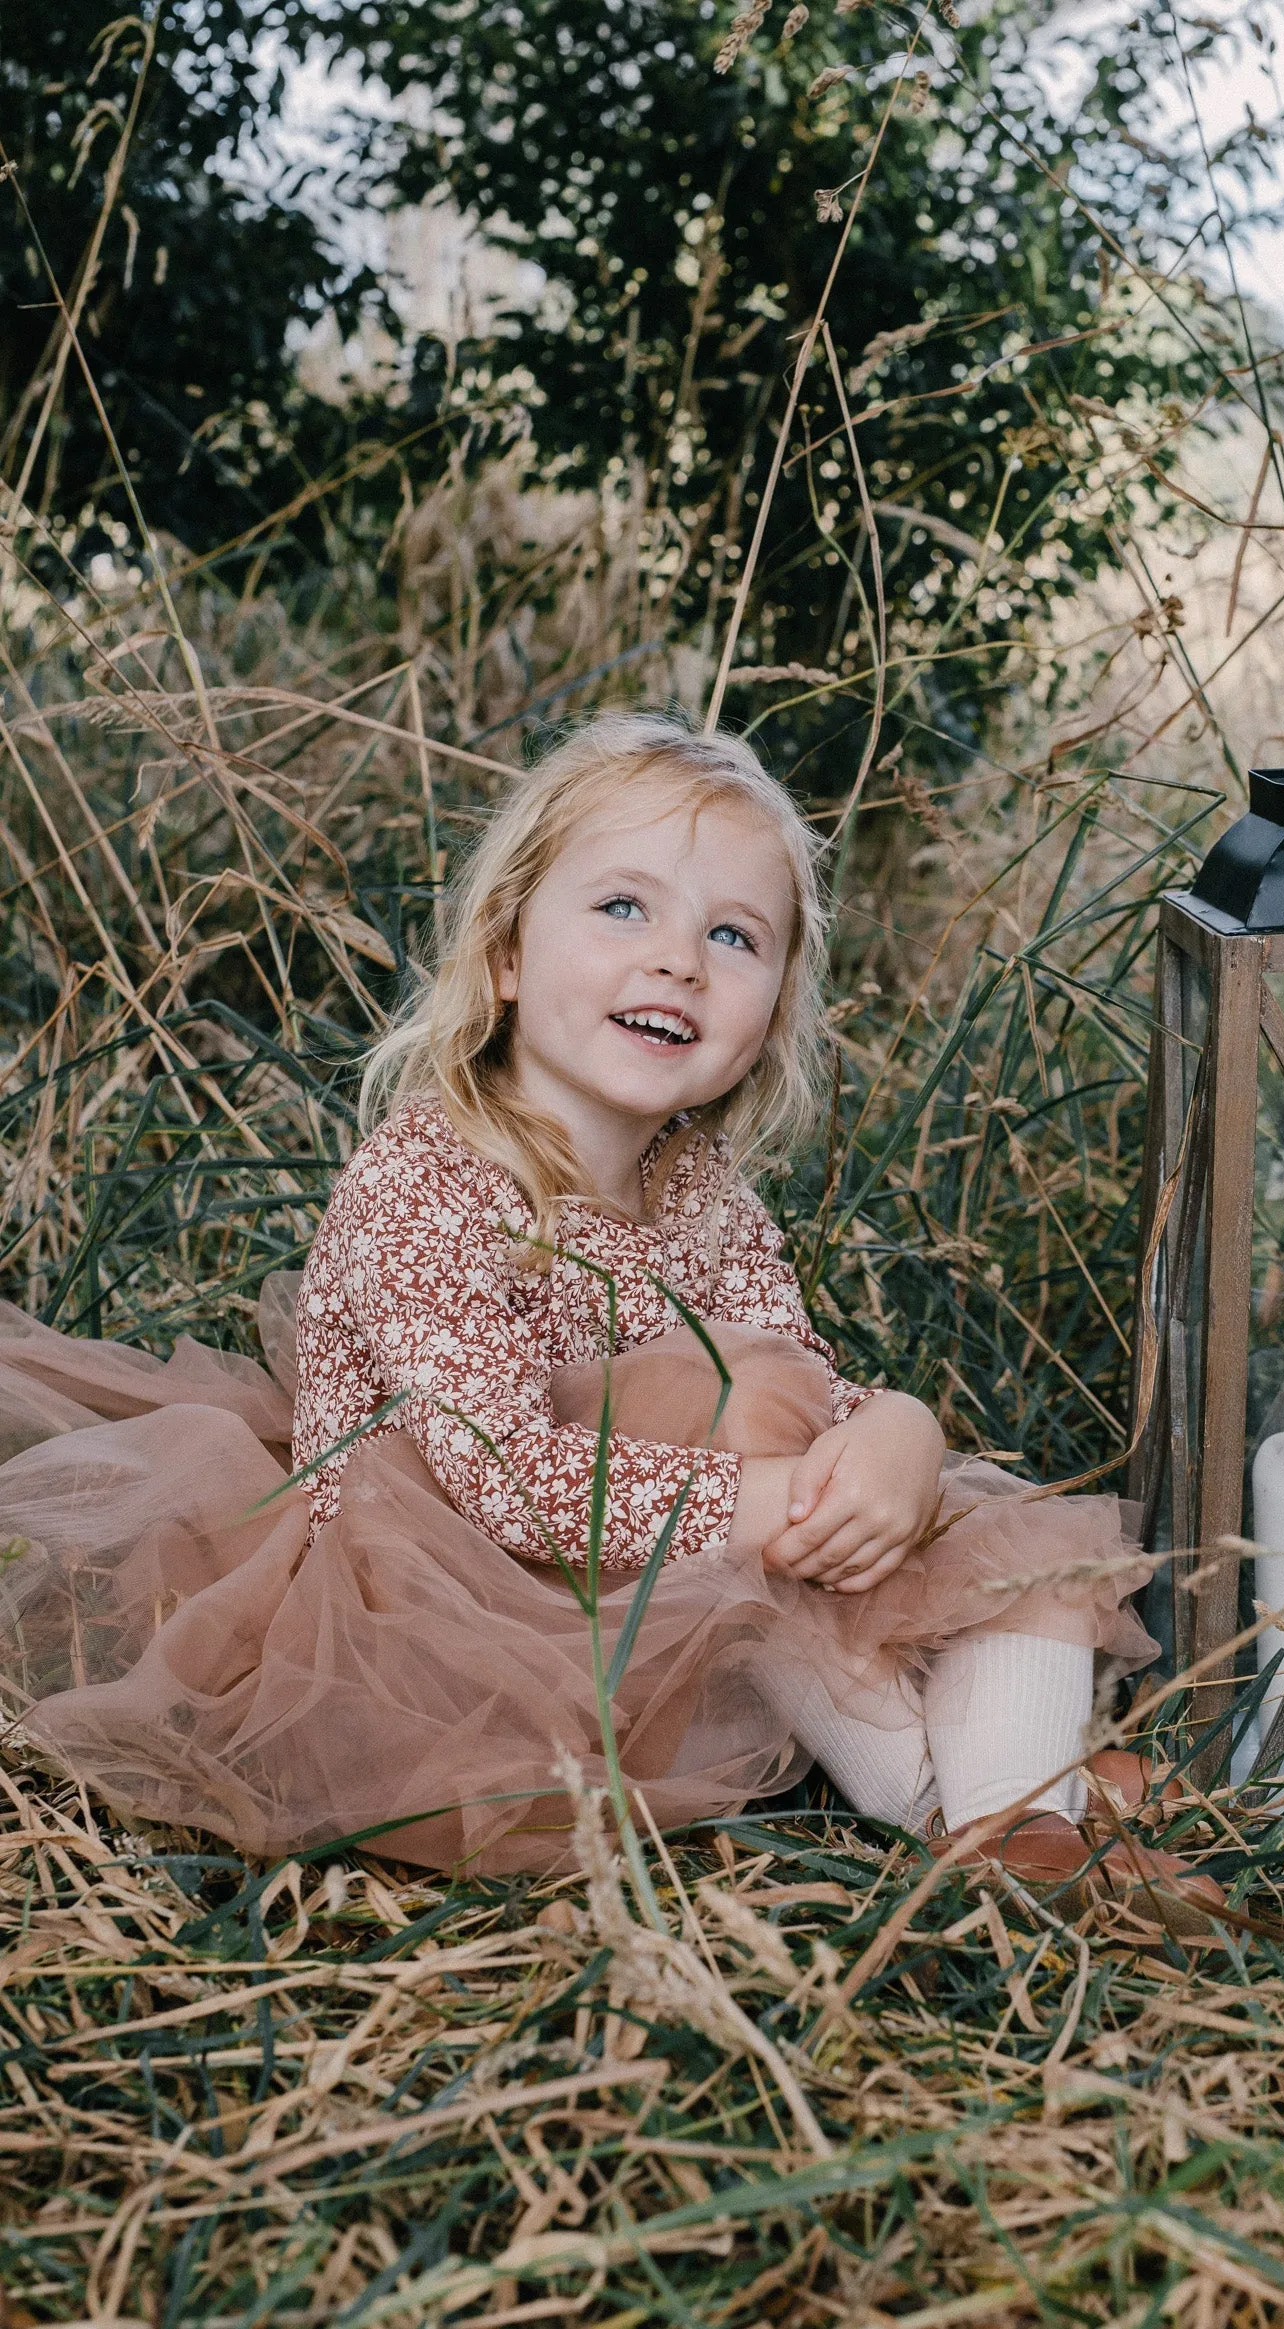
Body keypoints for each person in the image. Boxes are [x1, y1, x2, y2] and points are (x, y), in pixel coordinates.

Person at [0, 713, 1214, 1906]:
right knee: (750, 1470)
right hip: (451, 1603)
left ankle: (1017, 1823)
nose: (680, 959)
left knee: (984, 1535)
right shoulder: (424, 1176)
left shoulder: (706, 1199)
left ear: (774, 1011)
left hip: (667, 1559)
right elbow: (504, 1478)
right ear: (509, 951)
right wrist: (777, 1496)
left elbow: (804, 1398)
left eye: (734, 935)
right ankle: (983, 1802)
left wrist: (898, 1429)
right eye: (624, 906)